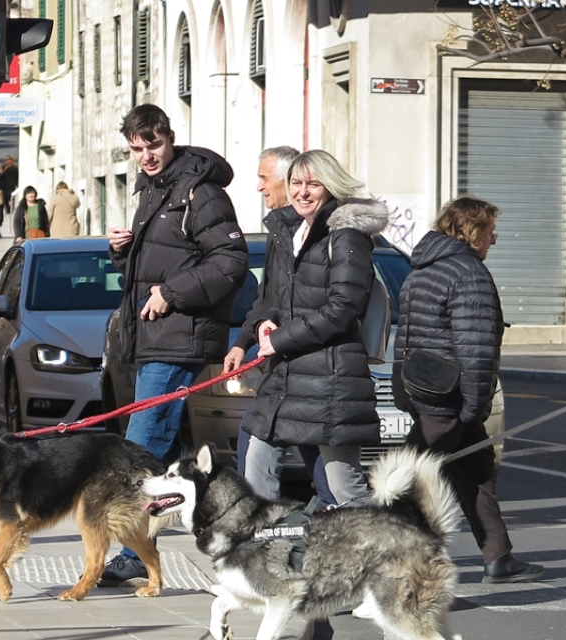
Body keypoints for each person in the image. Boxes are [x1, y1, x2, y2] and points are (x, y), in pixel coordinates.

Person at [101, 103, 248, 584]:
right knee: (150, 445)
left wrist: (170, 293)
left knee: (142, 445)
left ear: (170, 137)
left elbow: (230, 261)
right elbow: (154, 270)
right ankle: (146, 542)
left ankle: (133, 551)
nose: (145, 156)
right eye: (137, 149)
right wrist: (123, 252)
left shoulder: (199, 191)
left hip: (177, 339)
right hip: (155, 338)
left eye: (154, 145)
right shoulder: (153, 191)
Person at [393, 196, 544, 584]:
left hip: (425, 389)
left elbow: (403, 340)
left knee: (476, 473)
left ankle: (498, 556)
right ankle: (392, 567)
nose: (493, 241)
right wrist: (475, 406)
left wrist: (403, 392)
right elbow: (475, 348)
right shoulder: (468, 274)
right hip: (450, 397)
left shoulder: (421, 270)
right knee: (406, 485)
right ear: (472, 231)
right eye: (491, 232)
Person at [237, 149, 382, 505]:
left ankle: (380, 554)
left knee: (344, 486)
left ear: (330, 188)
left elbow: (343, 309)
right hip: (286, 375)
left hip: (330, 379)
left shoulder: (346, 235)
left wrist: (281, 340)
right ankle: (266, 556)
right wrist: (264, 324)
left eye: (313, 184)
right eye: (296, 183)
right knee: (256, 472)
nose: (302, 192)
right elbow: (278, 296)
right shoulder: (292, 231)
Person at [222, 146, 337, 503]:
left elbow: (335, 307)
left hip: (309, 363)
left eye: (263, 178)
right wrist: (243, 341)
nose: (259, 187)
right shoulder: (281, 231)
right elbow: (268, 299)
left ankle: (343, 520)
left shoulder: (321, 234)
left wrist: (279, 336)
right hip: (285, 361)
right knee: (272, 444)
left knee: (322, 463)